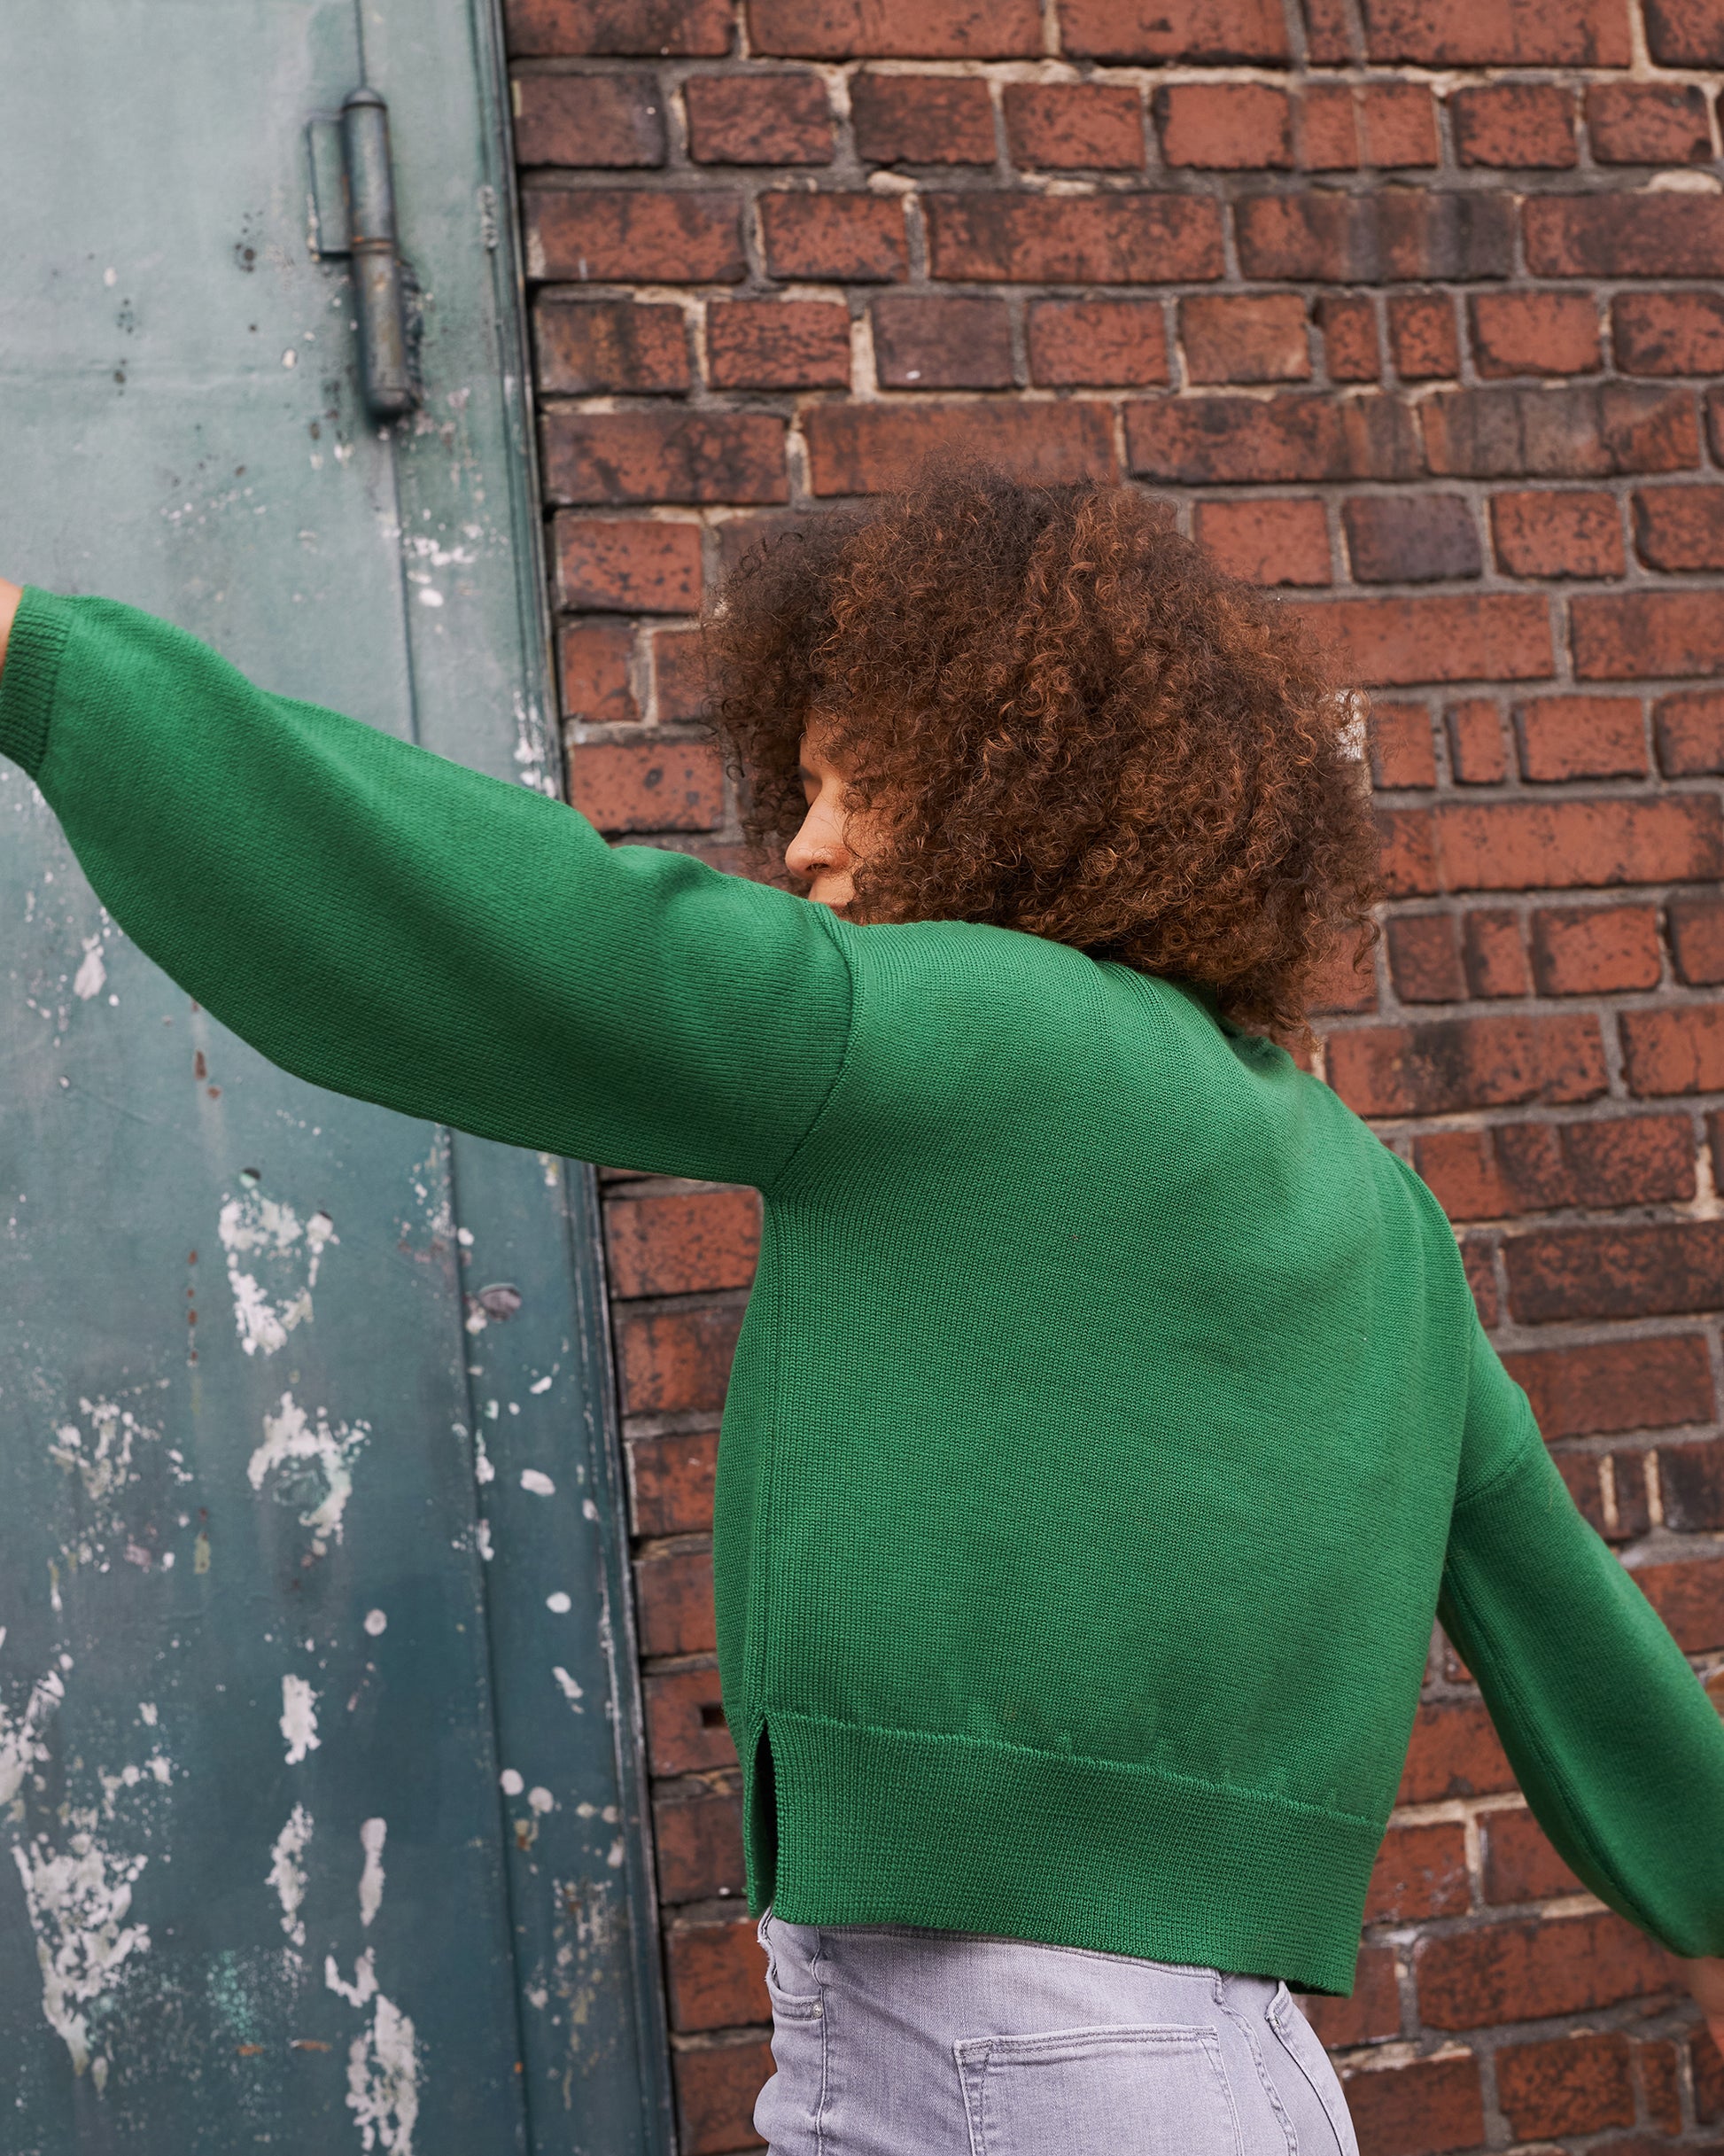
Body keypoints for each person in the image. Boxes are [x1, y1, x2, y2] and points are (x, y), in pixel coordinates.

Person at [1, 465, 1720, 2156]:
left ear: (1020, 786)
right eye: (802, 785)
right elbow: (1571, 1628)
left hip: (999, 2053)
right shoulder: (1381, 1207)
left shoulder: (964, 1035)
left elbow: (540, 934)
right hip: (1224, 2061)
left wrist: (46, 665)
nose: (805, 844)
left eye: (860, 786)